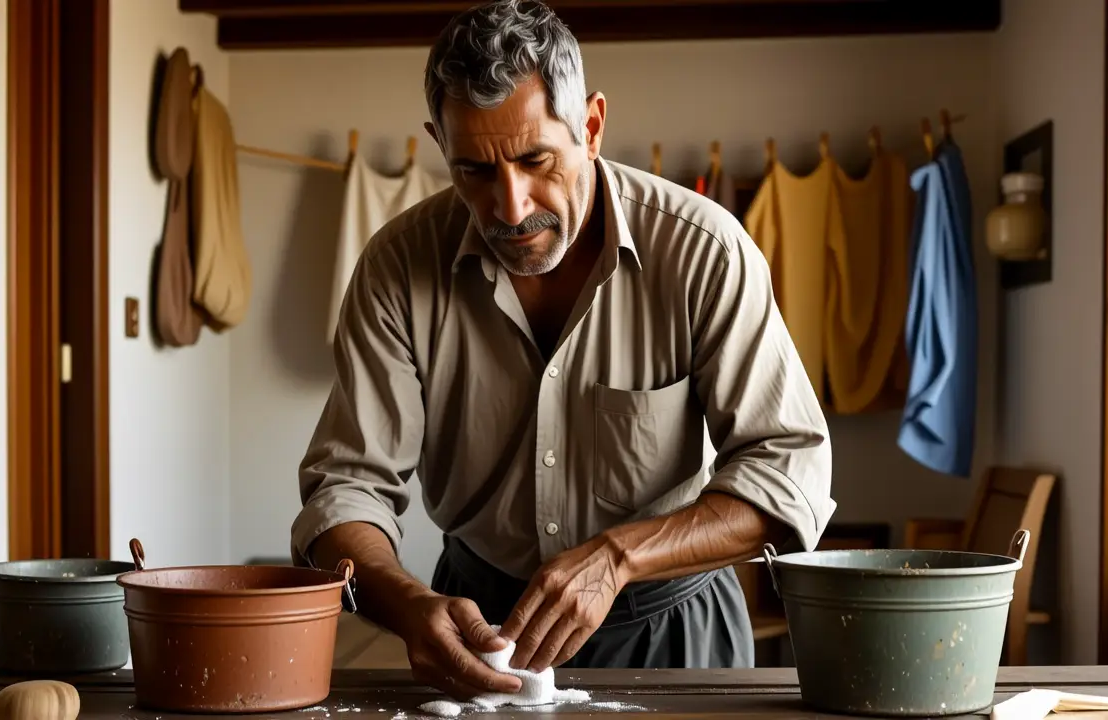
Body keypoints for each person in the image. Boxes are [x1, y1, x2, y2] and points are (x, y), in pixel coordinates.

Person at [291, 0, 835, 701]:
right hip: (478, 632)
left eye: (534, 159)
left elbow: (790, 472)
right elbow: (345, 489)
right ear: (439, 144)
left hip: (674, 628)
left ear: (593, 126)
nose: (511, 208)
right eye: (475, 172)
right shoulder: (395, 267)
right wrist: (405, 603)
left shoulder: (706, 251)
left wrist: (620, 557)